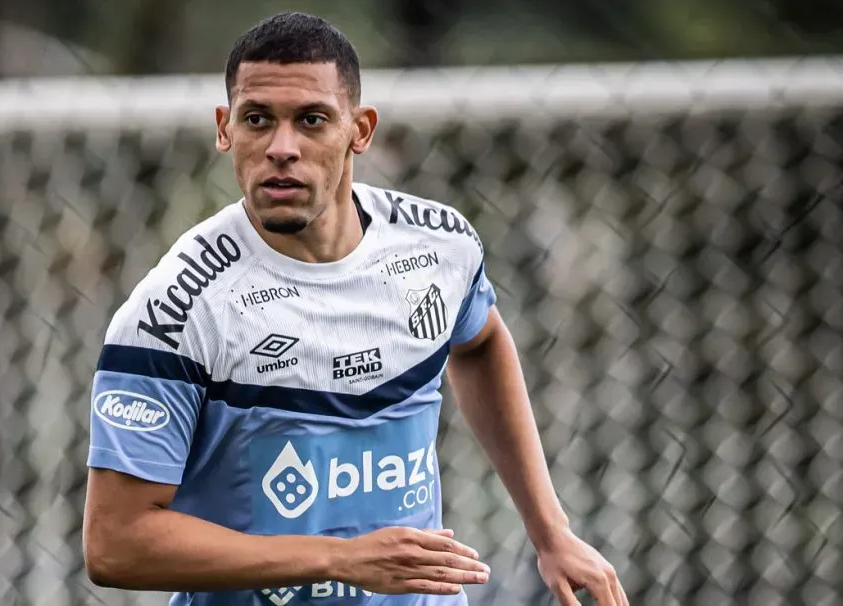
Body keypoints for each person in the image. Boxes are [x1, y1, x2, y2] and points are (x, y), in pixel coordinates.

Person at [82, 11, 628, 606]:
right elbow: (116, 545)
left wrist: (551, 532)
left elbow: (482, 343)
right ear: (224, 128)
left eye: (311, 120)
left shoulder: (438, 248)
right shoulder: (176, 309)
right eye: (257, 120)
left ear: (359, 130)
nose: (281, 148)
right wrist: (341, 560)